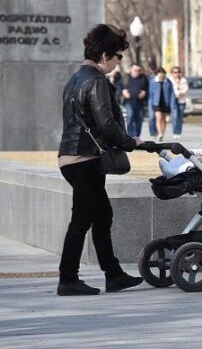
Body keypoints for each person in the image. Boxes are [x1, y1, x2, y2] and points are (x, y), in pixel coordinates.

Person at [57, 24, 143, 296]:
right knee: (82, 220)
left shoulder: (75, 79)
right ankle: (68, 279)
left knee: (102, 215)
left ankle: (114, 274)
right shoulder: (96, 81)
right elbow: (106, 123)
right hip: (86, 160)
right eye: (118, 57)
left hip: (71, 158)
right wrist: (131, 142)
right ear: (105, 56)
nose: (119, 63)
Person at [148, 67, 176, 142]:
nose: (161, 77)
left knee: (164, 120)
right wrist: (150, 104)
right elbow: (150, 94)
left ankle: (162, 134)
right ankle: (160, 133)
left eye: (163, 75)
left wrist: (172, 104)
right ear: (157, 75)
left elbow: (172, 94)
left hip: (166, 103)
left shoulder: (168, 82)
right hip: (156, 103)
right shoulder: (153, 82)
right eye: (160, 75)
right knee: (159, 118)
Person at [121, 64, 148, 138]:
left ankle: (136, 136)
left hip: (140, 102)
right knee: (130, 116)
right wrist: (123, 92)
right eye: (135, 70)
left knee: (139, 120)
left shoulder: (143, 78)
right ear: (131, 70)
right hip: (129, 102)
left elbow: (148, 89)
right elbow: (119, 87)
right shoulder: (126, 78)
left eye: (139, 70)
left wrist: (145, 92)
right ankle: (130, 135)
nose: (137, 72)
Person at [170, 66, 189, 140]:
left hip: (181, 101)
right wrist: (177, 92)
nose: (177, 74)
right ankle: (175, 132)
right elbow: (171, 90)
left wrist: (179, 93)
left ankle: (179, 133)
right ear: (172, 73)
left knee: (180, 118)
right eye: (175, 72)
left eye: (178, 72)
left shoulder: (183, 80)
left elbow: (186, 89)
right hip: (173, 100)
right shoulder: (170, 80)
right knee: (174, 117)